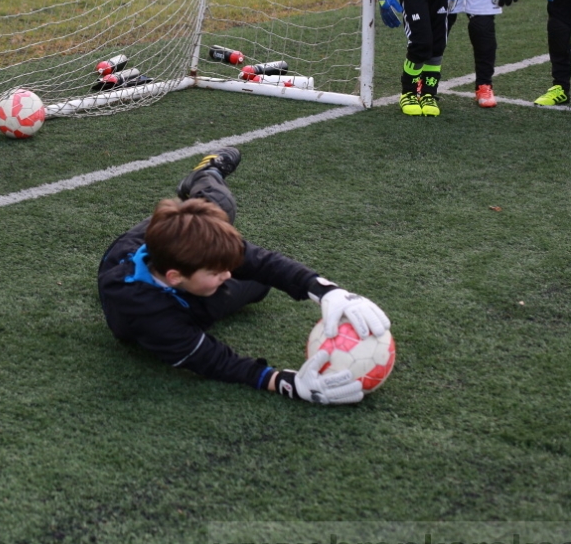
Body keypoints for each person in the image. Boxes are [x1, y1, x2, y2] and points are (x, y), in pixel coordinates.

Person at [97, 148, 391, 406]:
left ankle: (205, 174)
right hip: (150, 301)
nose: (228, 274)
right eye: (216, 272)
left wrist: (326, 291)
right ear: (175, 277)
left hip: (169, 258)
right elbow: (214, 361)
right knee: (257, 286)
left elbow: (263, 262)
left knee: (220, 208)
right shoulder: (146, 314)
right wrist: (284, 382)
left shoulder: (192, 261)